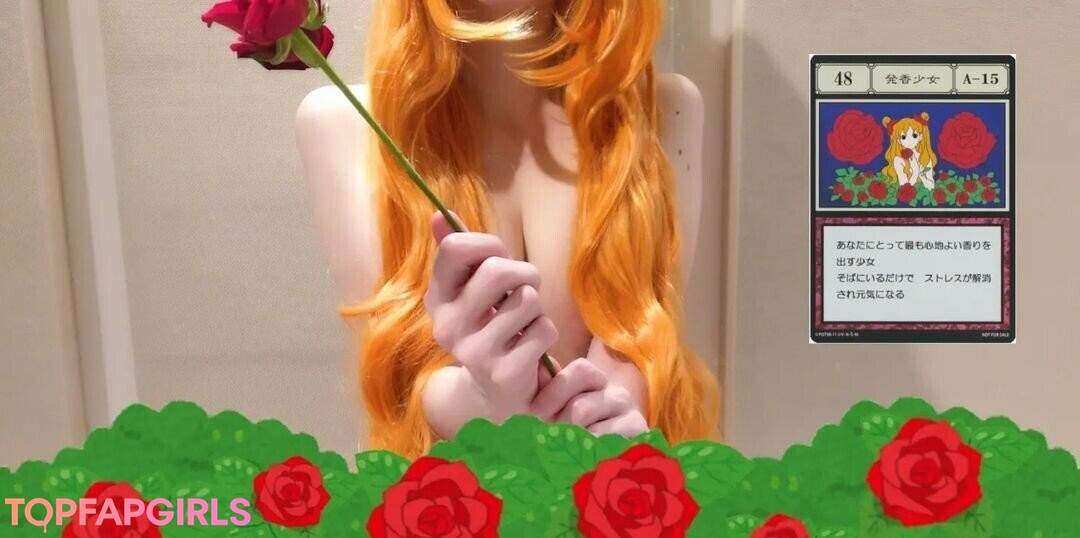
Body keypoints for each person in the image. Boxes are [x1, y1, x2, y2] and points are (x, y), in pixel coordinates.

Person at [296, 0, 720, 458]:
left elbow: (640, 341)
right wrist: (486, 399)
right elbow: (399, 382)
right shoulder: (345, 124)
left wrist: (610, 414)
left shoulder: (664, 112)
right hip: (448, 492)